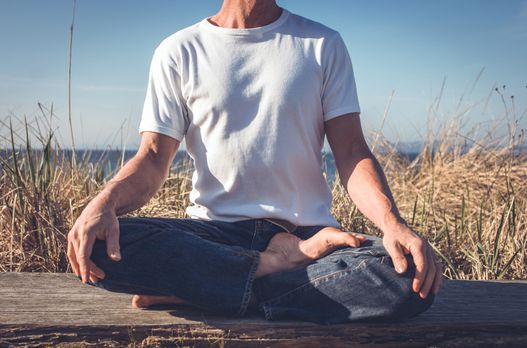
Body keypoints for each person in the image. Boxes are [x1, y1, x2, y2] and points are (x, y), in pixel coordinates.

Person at [67, 0, 443, 324]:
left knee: (402, 272)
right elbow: (151, 158)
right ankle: (267, 270)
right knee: (101, 245)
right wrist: (105, 202)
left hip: (309, 237)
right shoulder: (179, 50)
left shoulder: (322, 44)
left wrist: (394, 224)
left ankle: (214, 288)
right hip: (214, 236)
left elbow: (350, 152)